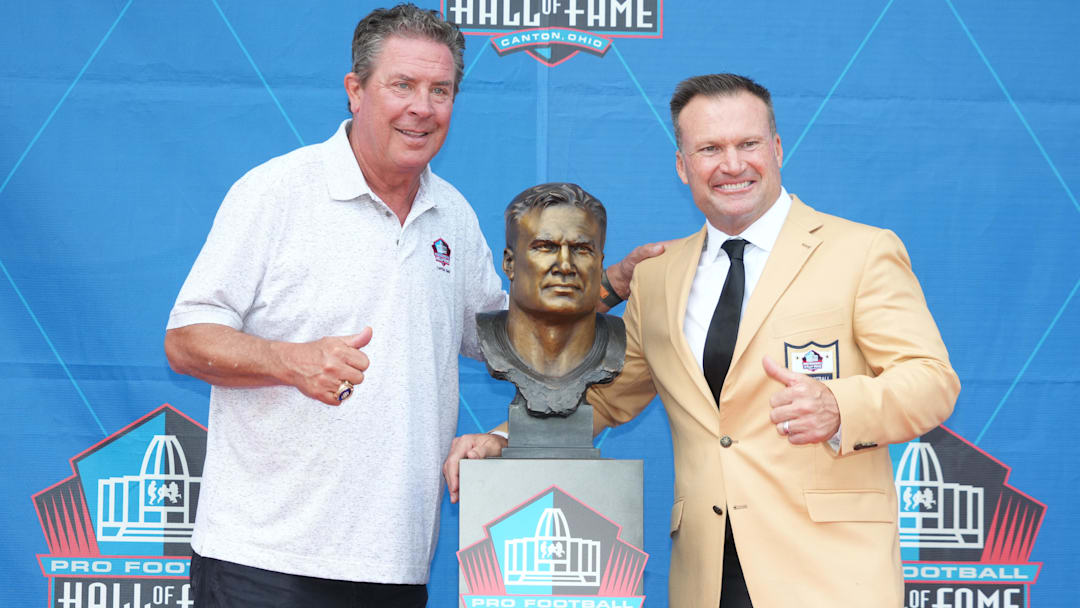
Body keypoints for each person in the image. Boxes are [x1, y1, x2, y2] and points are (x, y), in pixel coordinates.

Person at [164, 5, 658, 606]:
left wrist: (607, 285)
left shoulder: (451, 213)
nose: (422, 107)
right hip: (265, 559)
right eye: (402, 85)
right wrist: (289, 360)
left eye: (440, 89)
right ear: (356, 90)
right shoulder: (275, 192)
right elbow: (186, 338)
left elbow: (507, 335)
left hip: (396, 561)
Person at [443, 73, 960, 607]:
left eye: (748, 144)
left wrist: (839, 405)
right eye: (710, 148)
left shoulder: (861, 251)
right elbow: (609, 395)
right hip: (708, 577)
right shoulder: (659, 274)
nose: (732, 164)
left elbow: (931, 380)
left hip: (830, 574)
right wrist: (507, 438)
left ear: (778, 149)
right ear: (682, 166)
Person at [477, 183, 626, 457]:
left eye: (581, 249)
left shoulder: (617, 346)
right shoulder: (488, 335)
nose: (565, 265)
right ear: (510, 263)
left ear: (600, 263)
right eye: (545, 247)